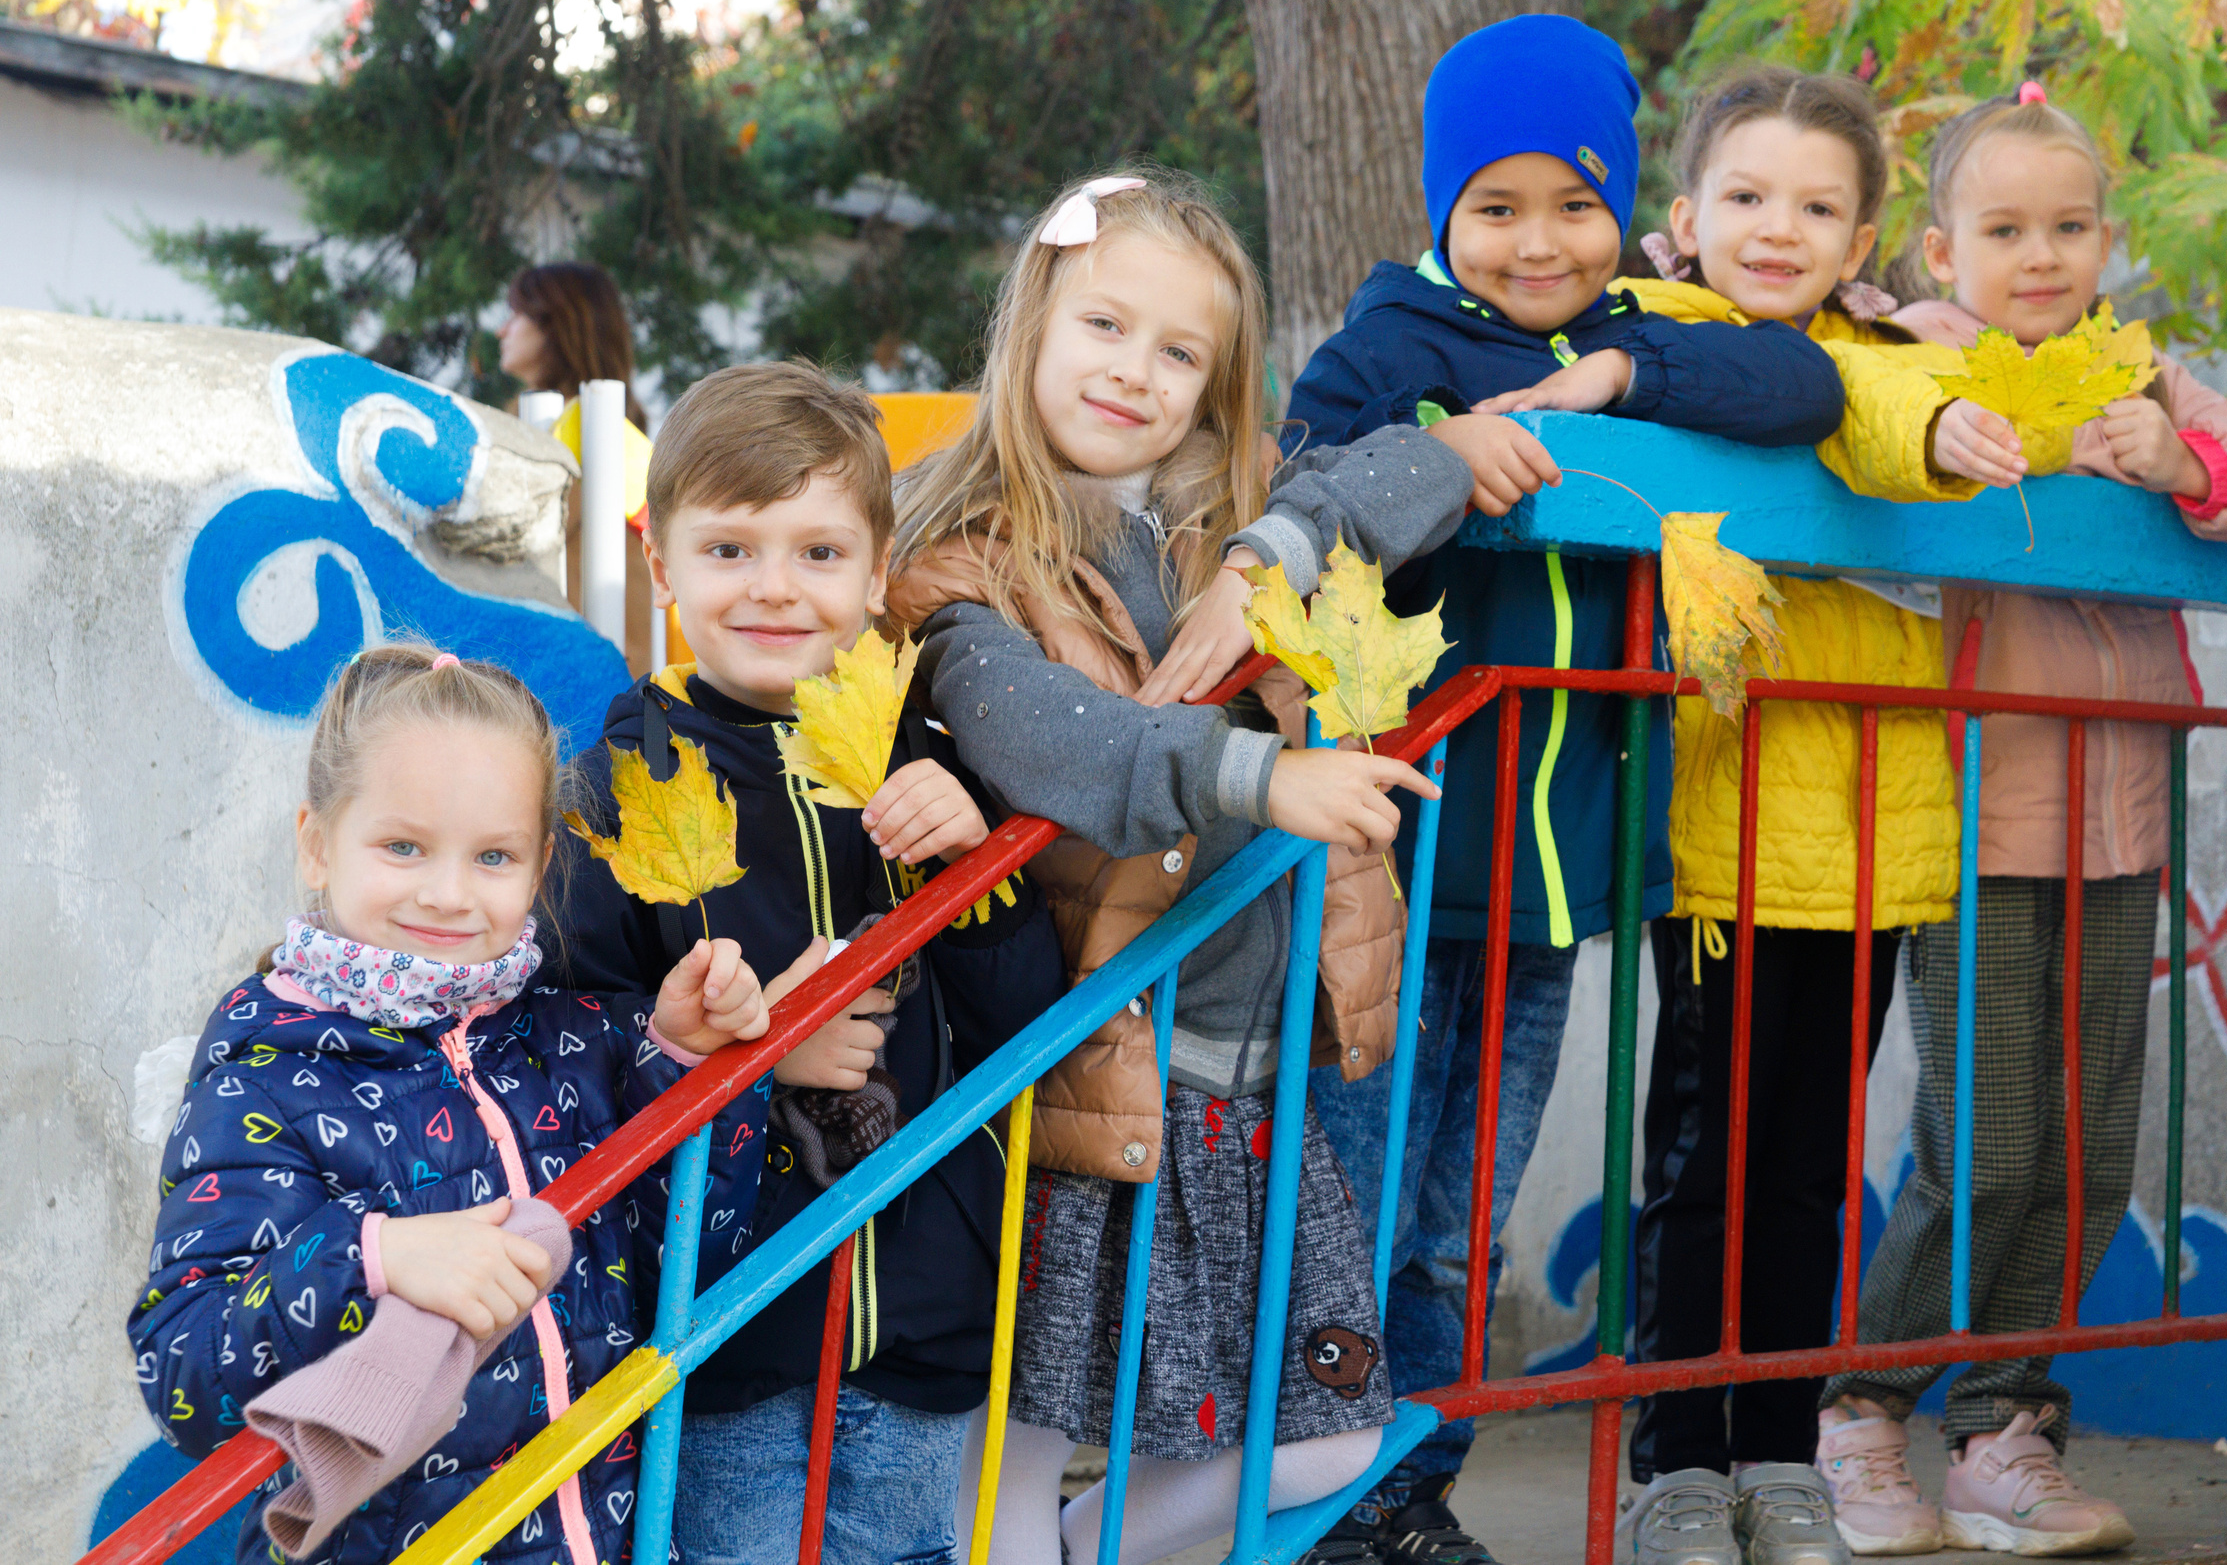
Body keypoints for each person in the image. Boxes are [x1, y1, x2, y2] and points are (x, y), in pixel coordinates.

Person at [1281, 16, 1848, 1565]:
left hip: (1555, 885)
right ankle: (1327, 1492)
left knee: (1472, 1220)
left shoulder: (1630, 341)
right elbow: (1304, 477)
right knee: (1365, 1200)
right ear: (1443, 212)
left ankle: (1417, 1488)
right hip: (1398, 863)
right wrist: (1441, 447)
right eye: (1498, 207)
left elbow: (1799, 381)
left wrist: (1611, 367)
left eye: (1576, 205)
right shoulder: (1396, 343)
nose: (1540, 242)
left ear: (1623, 213)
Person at [886, 169, 1473, 1565]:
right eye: (1104, 324)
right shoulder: (961, 556)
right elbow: (1054, 739)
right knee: (1019, 1451)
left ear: (1217, 386)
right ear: (1032, 318)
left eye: (1178, 351)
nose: (1133, 372)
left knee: (1331, 1426)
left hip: (1249, 1083)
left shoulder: (1239, 520)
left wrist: (1271, 548)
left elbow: (1434, 461)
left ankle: (1098, 1548)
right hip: (1090, 1071)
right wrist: (1266, 775)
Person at [1809, 85, 2227, 1558]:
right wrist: (1949, 429)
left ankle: (2007, 1431)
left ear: (2108, 240)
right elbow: (1860, 427)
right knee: (1987, 1144)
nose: (2040, 255)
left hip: (2124, 817)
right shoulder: (1921, 357)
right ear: (1941, 246)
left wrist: (2188, 465)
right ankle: (1861, 1409)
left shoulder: (2139, 377)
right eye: (2003, 228)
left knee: (2088, 1150)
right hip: (1976, 812)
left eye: (2068, 226)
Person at [1549, 65, 1976, 1565]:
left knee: (1811, 1164)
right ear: (1683, 219)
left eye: (1815, 204)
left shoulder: (1889, 363)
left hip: (1872, 834)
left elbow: (1906, 407)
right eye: (1745, 196)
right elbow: (1719, 385)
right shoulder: (1649, 336)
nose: (1776, 225)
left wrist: (1943, 411)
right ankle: (1677, 1455)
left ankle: (1781, 1453)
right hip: (1724, 832)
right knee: (1702, 1157)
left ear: (1863, 239)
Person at [552, 360, 1071, 1565]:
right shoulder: (610, 799)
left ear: (878, 570)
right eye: (730, 551)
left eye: (819, 553)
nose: (774, 589)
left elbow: (1029, 1019)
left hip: (928, 1308)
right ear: (662, 568)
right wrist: (736, 1053)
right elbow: (566, 1059)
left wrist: (979, 879)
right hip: (729, 1321)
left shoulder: (939, 768)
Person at [128, 642, 781, 1565]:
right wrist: (378, 1258)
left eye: (493, 855)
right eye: (402, 846)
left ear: (541, 859)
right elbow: (184, 1369)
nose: (446, 893)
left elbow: (689, 1258)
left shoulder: (573, 1038)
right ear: (317, 842)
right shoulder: (263, 1067)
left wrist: (684, 1062)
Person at [500, 260, 657, 672]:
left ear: (556, 324)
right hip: (614, 674)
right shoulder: (614, 428)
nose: (503, 330)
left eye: (517, 314)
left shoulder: (575, 433)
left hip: (590, 682)